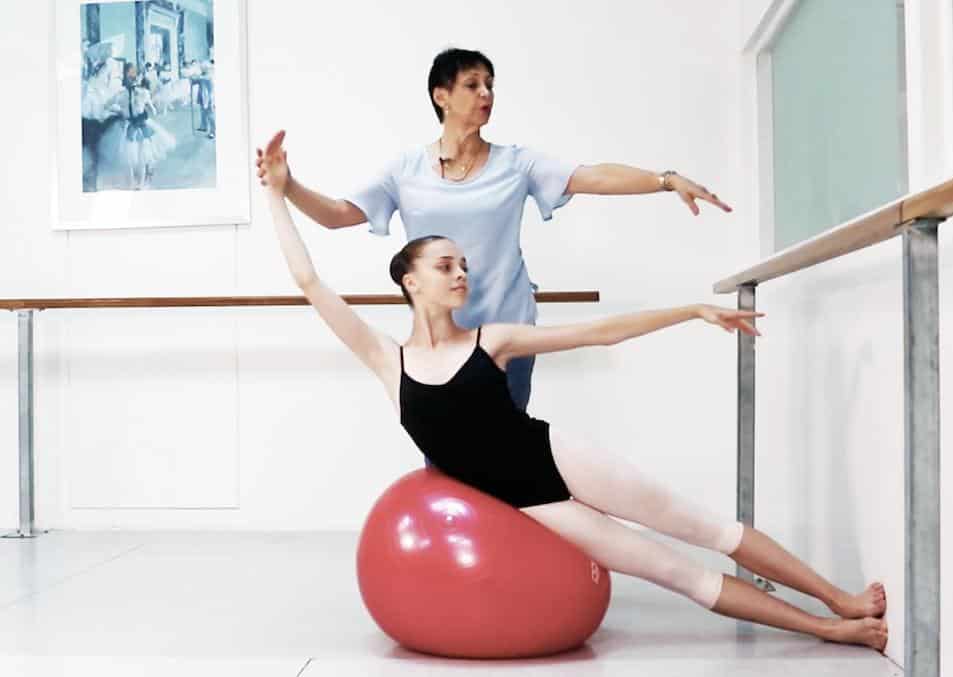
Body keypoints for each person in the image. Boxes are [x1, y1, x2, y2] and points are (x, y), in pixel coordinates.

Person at [257, 136, 889, 652]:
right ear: (409, 279)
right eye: (445, 265)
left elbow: (597, 333)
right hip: (534, 506)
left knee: (708, 529)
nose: (461, 273)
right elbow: (309, 279)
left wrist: (691, 310)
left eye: (464, 266)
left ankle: (837, 596)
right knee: (679, 574)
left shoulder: (492, 339)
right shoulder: (386, 360)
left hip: (556, 457)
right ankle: (830, 628)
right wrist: (279, 194)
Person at [256, 47, 733, 416]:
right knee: (444, 453)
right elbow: (339, 214)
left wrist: (665, 180)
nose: (486, 94)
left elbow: (594, 176)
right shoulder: (406, 170)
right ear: (441, 96)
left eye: (490, 84)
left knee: (502, 455)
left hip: (508, 333)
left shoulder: (516, 163)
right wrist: (288, 185)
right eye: (472, 84)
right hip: (439, 338)